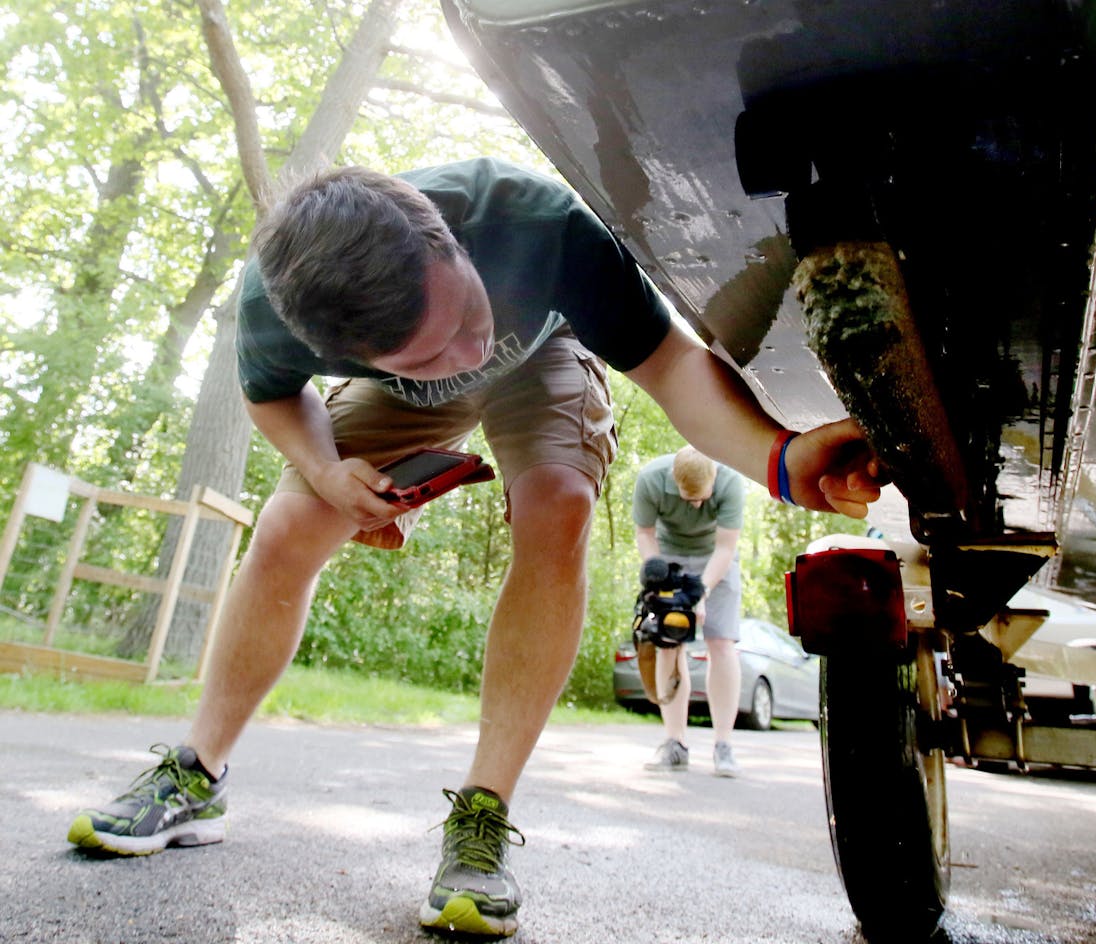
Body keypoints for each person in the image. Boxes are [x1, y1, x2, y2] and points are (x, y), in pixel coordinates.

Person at [64, 158, 883, 939]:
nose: (464, 356)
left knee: (556, 506)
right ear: (341, 349)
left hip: (548, 354)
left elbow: (671, 366)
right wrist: (326, 470)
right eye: (431, 351)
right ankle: (196, 775)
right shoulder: (275, 304)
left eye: (462, 316)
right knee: (289, 523)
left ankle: (481, 818)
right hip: (394, 402)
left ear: (448, 239)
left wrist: (778, 457)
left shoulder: (535, 221)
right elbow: (274, 397)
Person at [633, 445, 745, 776]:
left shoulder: (730, 481)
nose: (695, 505)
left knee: (722, 644)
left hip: (717, 561)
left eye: (701, 498)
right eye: (687, 498)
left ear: (713, 478)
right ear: (673, 480)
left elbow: (726, 547)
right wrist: (662, 579)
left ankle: (723, 745)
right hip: (669, 559)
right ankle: (674, 743)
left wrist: (701, 594)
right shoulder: (651, 480)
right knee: (669, 643)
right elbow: (645, 533)